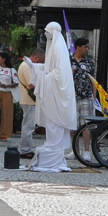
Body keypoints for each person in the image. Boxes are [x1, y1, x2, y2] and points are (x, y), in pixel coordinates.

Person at [33, 27, 79, 172]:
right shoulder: (53, 46)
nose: (45, 33)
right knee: (51, 119)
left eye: (47, 31)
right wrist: (36, 68)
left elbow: (59, 72)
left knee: (55, 120)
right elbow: (50, 68)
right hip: (53, 90)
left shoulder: (58, 47)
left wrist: (44, 77)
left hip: (57, 91)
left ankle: (54, 143)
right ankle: (51, 142)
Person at [16, 49, 43, 158]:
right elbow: (31, 84)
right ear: (36, 58)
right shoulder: (26, 66)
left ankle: (26, 148)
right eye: (41, 61)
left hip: (28, 99)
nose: (40, 64)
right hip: (28, 100)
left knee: (29, 124)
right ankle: (25, 149)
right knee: (28, 125)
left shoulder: (27, 65)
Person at [71, 37, 97, 121]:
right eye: (85, 47)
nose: (87, 49)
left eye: (87, 47)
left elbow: (93, 79)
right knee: (72, 124)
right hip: (71, 97)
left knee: (87, 124)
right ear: (78, 47)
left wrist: (94, 95)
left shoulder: (89, 62)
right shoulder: (68, 61)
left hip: (86, 96)